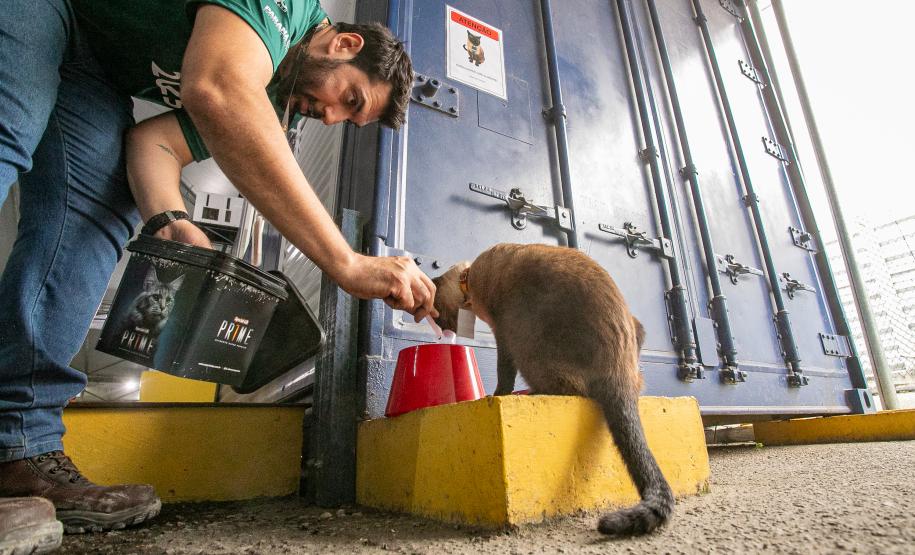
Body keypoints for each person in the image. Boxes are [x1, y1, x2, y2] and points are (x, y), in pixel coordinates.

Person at [0, 0, 436, 548]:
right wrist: (345, 261)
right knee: (6, 131)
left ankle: (18, 452)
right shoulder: (287, 6)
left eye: (348, 119)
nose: (331, 117)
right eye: (348, 99)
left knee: (95, 211)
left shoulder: (274, 98)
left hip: (91, 64)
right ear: (344, 45)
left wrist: (171, 220)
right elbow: (218, 88)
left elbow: (151, 142)